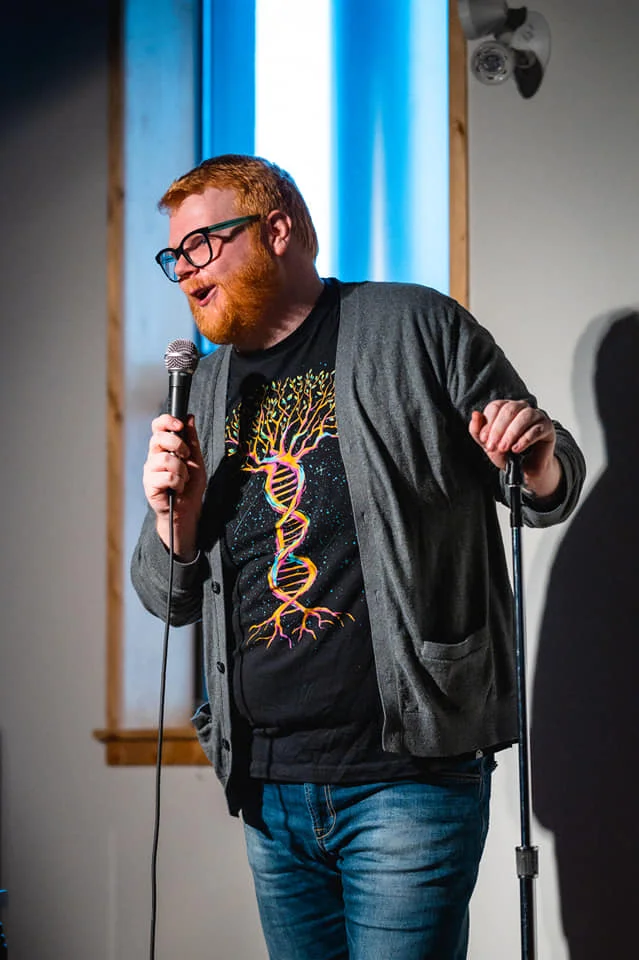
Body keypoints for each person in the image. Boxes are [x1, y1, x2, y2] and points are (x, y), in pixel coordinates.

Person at [131, 154, 585, 960]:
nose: (185, 273)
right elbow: (166, 597)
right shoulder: (203, 387)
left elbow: (544, 484)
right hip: (268, 787)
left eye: (201, 245)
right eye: (175, 258)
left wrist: (536, 453)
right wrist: (177, 520)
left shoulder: (412, 326)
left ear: (278, 232)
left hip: (404, 779)